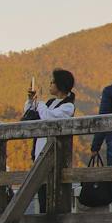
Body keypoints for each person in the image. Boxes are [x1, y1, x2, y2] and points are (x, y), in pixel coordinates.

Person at [22, 68, 77, 212]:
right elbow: (32, 116)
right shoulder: (51, 102)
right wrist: (31, 101)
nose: (50, 84)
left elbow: (47, 118)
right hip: (40, 154)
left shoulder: (68, 106)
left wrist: (39, 103)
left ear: (60, 85)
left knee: (53, 197)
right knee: (42, 196)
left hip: (55, 158)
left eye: (53, 82)